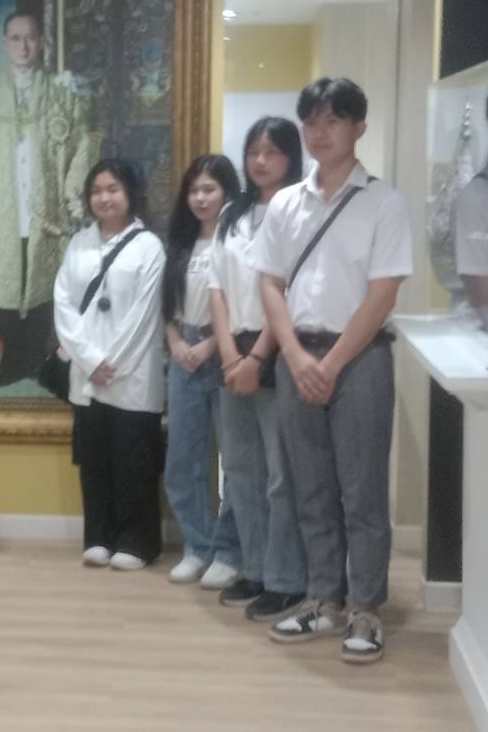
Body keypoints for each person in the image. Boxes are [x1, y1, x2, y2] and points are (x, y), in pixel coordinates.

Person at [251, 79, 414, 664]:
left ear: (358, 128)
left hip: (360, 359)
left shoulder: (384, 202)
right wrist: (295, 357)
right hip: (298, 357)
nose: (320, 132)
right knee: (310, 486)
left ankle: (366, 608)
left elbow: (383, 293)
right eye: (312, 121)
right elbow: (270, 284)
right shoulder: (286, 204)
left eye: (333, 120)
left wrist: (332, 362)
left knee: (361, 489)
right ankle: (324, 597)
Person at [0, 10, 98, 387]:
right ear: (4, 43)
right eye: (15, 38)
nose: (23, 45)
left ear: (41, 42)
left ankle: (36, 359)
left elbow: (82, 144)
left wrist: (74, 191)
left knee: (44, 284)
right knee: (5, 287)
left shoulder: (62, 93)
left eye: (30, 37)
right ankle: (12, 362)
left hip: (45, 207)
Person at [207, 117, 311, 622]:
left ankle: (287, 579)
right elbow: (216, 288)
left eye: (272, 151)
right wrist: (230, 355)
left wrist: (257, 358)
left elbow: (286, 292)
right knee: (240, 470)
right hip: (233, 353)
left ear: (291, 157)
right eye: (253, 152)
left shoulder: (299, 211)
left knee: (279, 473)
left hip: (276, 351)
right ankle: (253, 568)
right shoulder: (233, 212)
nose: (260, 161)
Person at [54, 159, 167, 571]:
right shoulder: (78, 244)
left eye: (113, 189)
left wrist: (109, 363)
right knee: (94, 458)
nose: (104, 198)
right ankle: (98, 536)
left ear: (130, 193)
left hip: (131, 373)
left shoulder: (149, 246)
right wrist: (89, 359)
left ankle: (138, 542)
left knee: (133, 459)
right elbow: (64, 304)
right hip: (86, 374)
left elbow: (145, 315)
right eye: (97, 190)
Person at [160, 155, 245, 588]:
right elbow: (167, 308)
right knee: (182, 461)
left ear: (228, 191)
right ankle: (198, 547)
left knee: (235, 462)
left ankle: (229, 552)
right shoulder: (179, 243)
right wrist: (177, 343)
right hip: (183, 360)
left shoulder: (239, 241)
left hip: (227, 354)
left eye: (209, 189)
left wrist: (212, 344)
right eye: (194, 190)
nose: (200, 198)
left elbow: (245, 304)